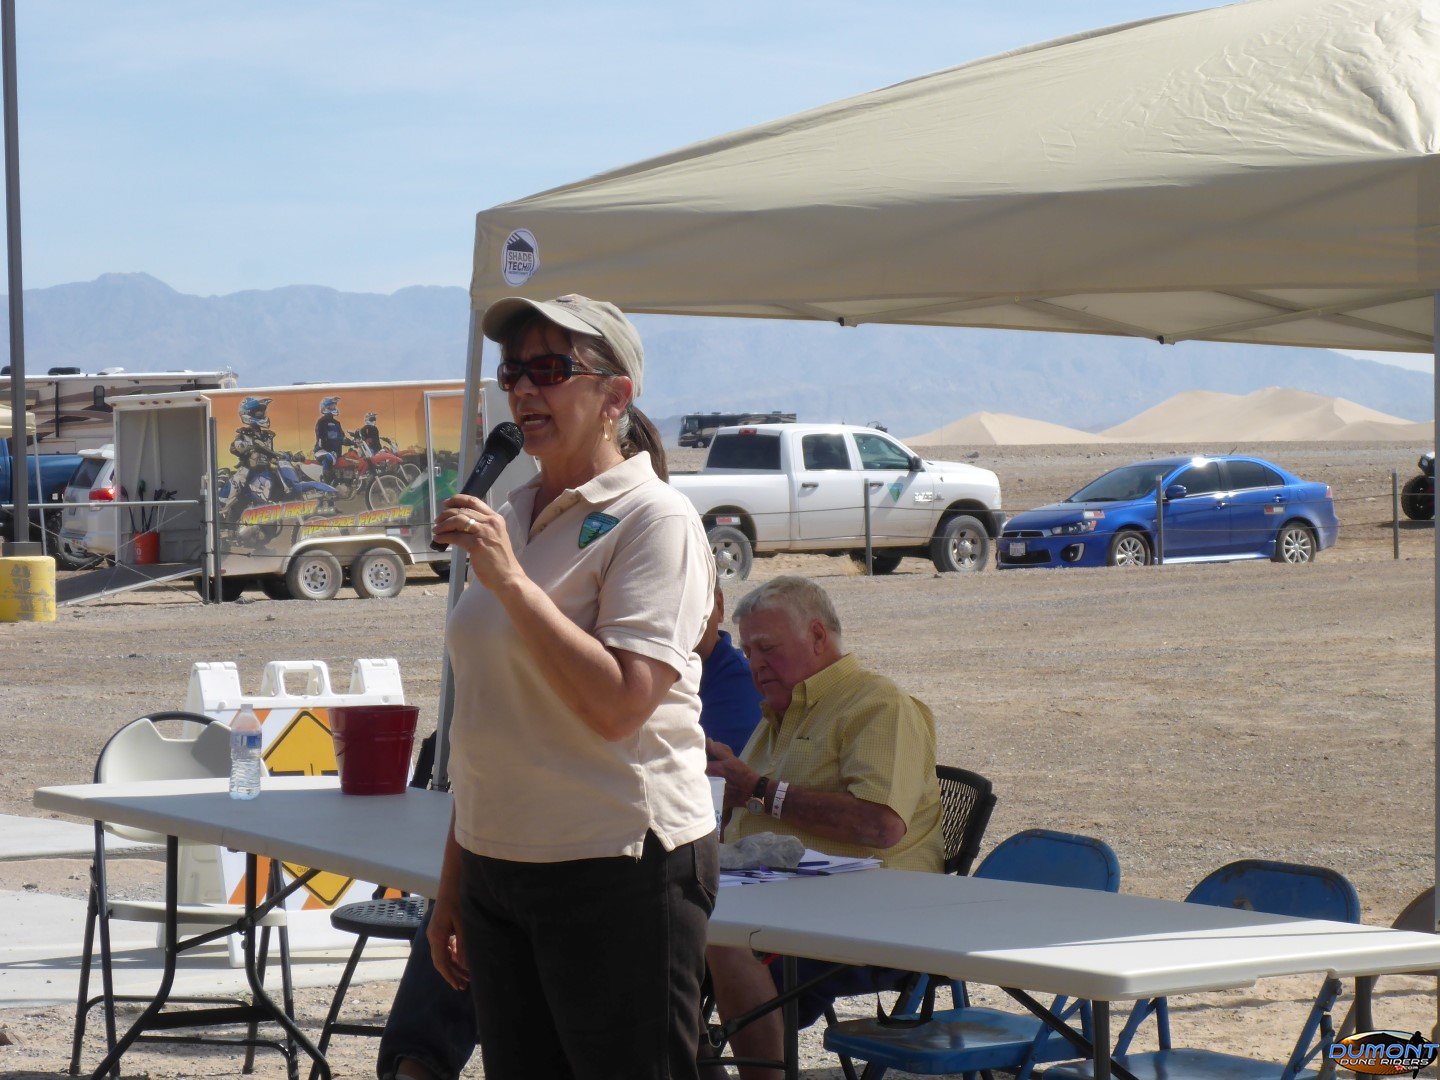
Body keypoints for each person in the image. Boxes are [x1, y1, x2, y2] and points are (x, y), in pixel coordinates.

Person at [428, 293, 719, 1080]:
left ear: (615, 396)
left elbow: (620, 705)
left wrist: (510, 582)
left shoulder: (655, 519)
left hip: (617, 865)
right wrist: (456, 879)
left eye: (550, 369)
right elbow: (491, 718)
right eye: (512, 372)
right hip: (500, 864)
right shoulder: (516, 512)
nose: (524, 389)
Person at [377, 582, 764, 1080]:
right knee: (460, 932)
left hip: (632, 862)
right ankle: (415, 1066)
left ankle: (416, 1066)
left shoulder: (726, 677)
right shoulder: (572, 640)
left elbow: (702, 764)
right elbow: (493, 752)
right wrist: (453, 884)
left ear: (712, 607)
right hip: (532, 848)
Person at [704, 575, 944, 1079]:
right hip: (783, 903)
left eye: (767, 648)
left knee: (717, 942)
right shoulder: (777, 715)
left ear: (817, 636)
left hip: (871, 917)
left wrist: (762, 790)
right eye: (747, 651)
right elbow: (750, 809)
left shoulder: (877, 705)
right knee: (648, 929)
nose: (755, 664)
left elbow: (881, 826)